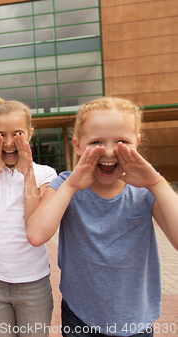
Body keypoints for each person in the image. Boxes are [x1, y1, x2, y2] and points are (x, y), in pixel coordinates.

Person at [27, 97, 178, 337]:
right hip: (80, 318)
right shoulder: (66, 184)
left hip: (135, 321)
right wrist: (70, 187)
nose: (108, 151)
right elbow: (36, 235)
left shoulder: (146, 188)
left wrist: (157, 183)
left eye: (121, 142)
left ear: (136, 143)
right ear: (77, 145)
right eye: (96, 142)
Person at [0, 98, 56, 337]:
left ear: (30, 133)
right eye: (0, 135)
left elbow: (35, 227)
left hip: (33, 282)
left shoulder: (46, 174)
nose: (8, 143)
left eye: (17, 134)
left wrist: (27, 173)